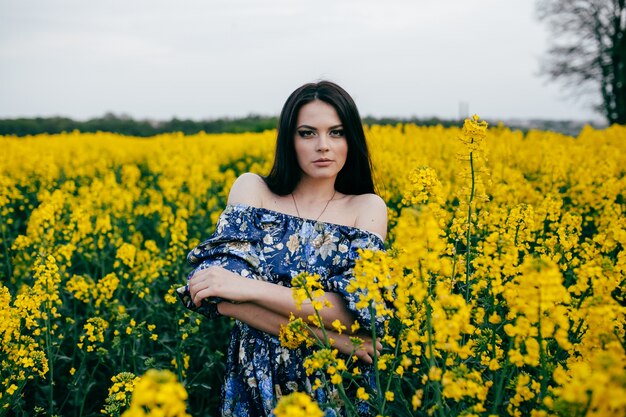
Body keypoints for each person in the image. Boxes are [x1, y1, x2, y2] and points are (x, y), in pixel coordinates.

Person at [177, 80, 388, 416]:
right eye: (307, 133)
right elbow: (213, 294)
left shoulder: (367, 207)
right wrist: (334, 339)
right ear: (289, 139)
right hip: (258, 378)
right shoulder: (254, 190)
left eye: (336, 132)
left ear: (352, 139)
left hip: (337, 386)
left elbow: (356, 312)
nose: (323, 146)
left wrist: (247, 289)